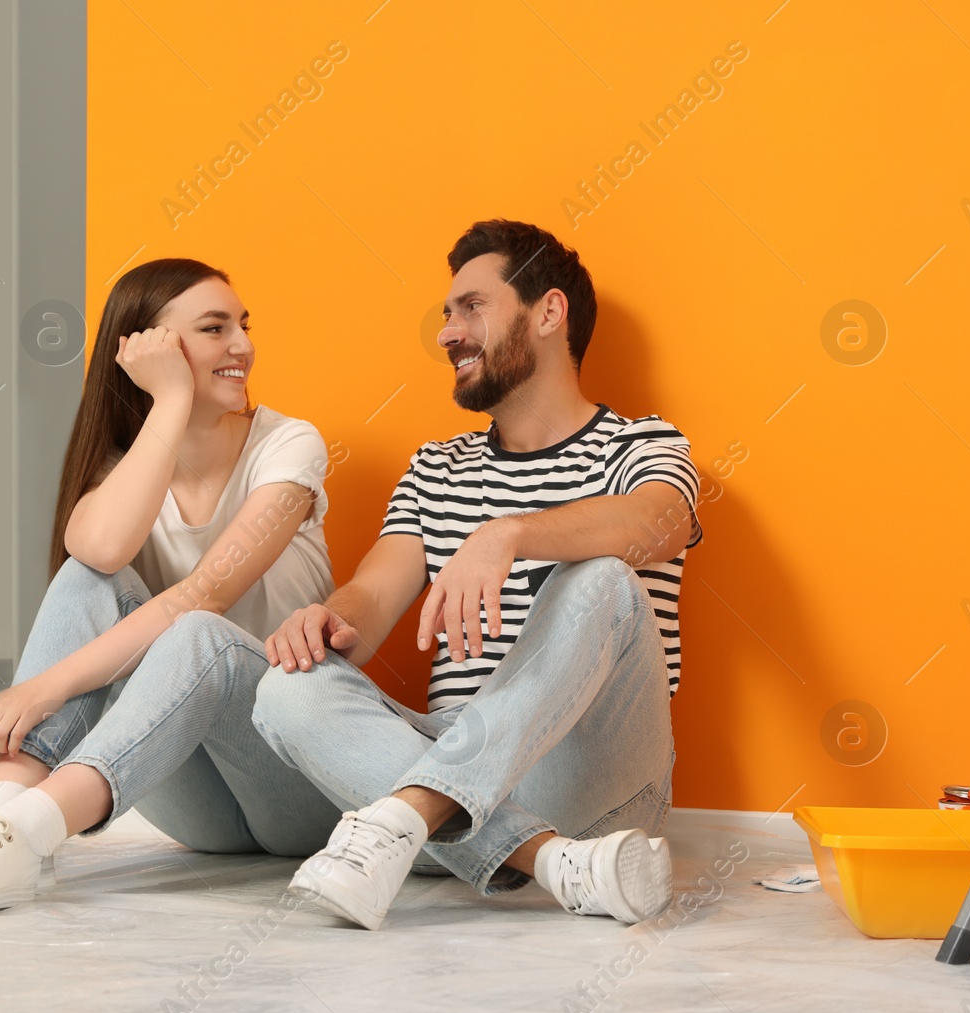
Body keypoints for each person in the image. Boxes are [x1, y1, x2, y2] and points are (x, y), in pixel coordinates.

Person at [252, 219, 702, 929]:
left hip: (593, 779)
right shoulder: (437, 468)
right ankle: (547, 859)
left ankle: (407, 813)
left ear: (548, 312)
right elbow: (371, 597)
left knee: (603, 580)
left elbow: (658, 523)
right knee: (285, 683)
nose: (448, 333)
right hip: (453, 764)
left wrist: (510, 534)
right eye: (446, 314)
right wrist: (328, 619)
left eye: (472, 307)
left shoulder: (643, 444)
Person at [0, 258, 343, 911]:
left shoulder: (290, 446)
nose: (243, 345)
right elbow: (97, 551)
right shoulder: (130, 469)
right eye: (214, 328)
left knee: (201, 631)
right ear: (150, 350)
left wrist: (44, 686)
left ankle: (24, 829)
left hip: (296, 784)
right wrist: (171, 403)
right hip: (199, 808)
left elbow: (205, 596)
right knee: (88, 578)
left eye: (243, 323)